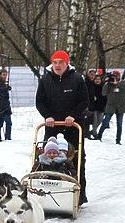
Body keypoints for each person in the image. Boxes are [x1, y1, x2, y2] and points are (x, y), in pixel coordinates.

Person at [35, 49, 89, 205]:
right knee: (47, 157)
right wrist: (47, 116)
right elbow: (39, 101)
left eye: (61, 62)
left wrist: (73, 115)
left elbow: (84, 101)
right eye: (55, 62)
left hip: (73, 125)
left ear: (67, 63)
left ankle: (79, 194)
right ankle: (46, 192)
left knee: (76, 158)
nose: (57, 65)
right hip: (52, 126)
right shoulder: (45, 80)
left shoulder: (77, 79)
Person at [95, 70, 125, 144]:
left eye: (115, 76)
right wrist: (106, 83)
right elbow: (103, 93)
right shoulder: (109, 84)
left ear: (119, 76)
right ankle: (99, 136)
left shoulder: (123, 83)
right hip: (110, 106)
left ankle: (118, 140)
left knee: (119, 124)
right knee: (105, 122)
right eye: (113, 76)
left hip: (120, 106)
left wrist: (117, 83)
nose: (114, 78)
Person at [0, 68, 12, 141]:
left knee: (1, 123)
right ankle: (6, 138)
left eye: (6, 75)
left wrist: (6, 87)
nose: (5, 76)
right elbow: (0, 92)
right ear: (0, 75)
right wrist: (6, 88)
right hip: (2, 107)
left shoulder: (2, 83)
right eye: (3, 75)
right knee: (7, 123)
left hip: (4, 106)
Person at [89, 74, 107, 139]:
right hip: (94, 107)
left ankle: (92, 131)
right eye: (96, 79)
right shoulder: (92, 87)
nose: (97, 81)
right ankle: (95, 133)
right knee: (95, 121)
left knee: (100, 121)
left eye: (98, 79)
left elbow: (105, 97)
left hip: (101, 107)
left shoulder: (103, 87)